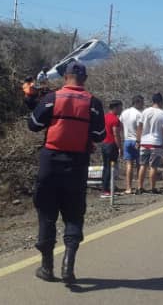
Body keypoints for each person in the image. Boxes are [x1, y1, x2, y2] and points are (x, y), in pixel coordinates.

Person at [28, 61, 105, 284]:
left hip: (50, 162)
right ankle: (68, 267)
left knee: (46, 213)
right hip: (77, 164)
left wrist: (32, 102)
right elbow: (100, 134)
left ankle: (46, 267)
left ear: (65, 77)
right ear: (85, 79)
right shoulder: (94, 103)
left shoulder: (52, 98)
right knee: (73, 214)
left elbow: (33, 125)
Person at [136, 93, 163, 194]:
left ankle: (139, 187)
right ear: (161, 102)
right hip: (156, 143)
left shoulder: (145, 111)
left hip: (144, 142)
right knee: (153, 166)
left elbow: (140, 127)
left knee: (143, 165)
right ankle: (152, 188)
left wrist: (138, 140)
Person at [119, 95, 144, 194]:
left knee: (129, 164)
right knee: (139, 164)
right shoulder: (139, 114)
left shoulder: (124, 112)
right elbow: (139, 128)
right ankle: (139, 186)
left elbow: (120, 125)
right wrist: (138, 141)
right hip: (136, 140)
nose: (143, 104)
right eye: (142, 102)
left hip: (127, 141)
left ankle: (128, 188)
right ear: (137, 102)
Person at [100, 100, 123, 198]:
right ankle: (106, 190)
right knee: (111, 167)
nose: (121, 109)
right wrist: (120, 147)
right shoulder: (115, 119)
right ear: (115, 108)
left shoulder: (104, 117)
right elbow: (116, 134)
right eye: (120, 107)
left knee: (106, 167)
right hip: (111, 145)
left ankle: (107, 187)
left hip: (104, 144)